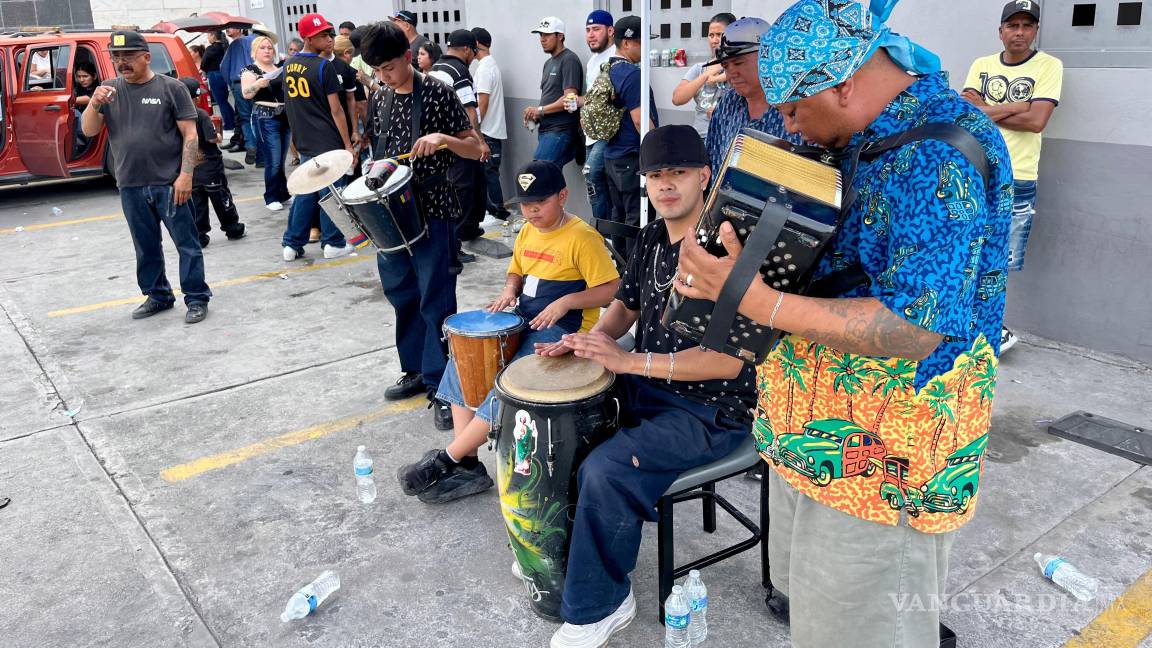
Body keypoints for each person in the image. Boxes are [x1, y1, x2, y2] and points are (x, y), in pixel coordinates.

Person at [675, 2, 1013, 646]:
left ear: (844, 81)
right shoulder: (855, 136)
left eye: (795, 106)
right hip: (812, 439)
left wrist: (745, 295)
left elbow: (913, 329)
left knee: (864, 631)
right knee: (820, 621)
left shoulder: (939, 156)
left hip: (883, 466)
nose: (787, 123)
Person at [535, 125, 755, 647]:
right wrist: (588, 341)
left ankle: (603, 604)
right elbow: (626, 304)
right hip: (651, 387)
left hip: (712, 412)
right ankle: (575, 556)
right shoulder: (654, 236)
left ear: (706, 175)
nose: (666, 186)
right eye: (655, 176)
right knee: (560, 429)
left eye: (677, 173)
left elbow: (725, 364)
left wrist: (628, 362)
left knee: (606, 469)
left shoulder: (727, 248)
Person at [397, 159, 621, 504]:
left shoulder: (582, 237)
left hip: (563, 329)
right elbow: (516, 271)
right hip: (526, 317)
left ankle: (449, 459)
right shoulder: (528, 229)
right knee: (464, 359)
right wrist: (509, 290)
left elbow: (612, 289)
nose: (531, 212)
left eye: (540, 204)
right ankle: (468, 464)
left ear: (562, 196)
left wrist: (567, 301)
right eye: (525, 206)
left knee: (508, 384)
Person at [359, 21, 483, 427]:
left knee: (436, 299)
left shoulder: (438, 93)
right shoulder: (380, 96)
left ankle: (443, 386)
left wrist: (443, 139)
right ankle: (414, 368)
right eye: (377, 70)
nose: (384, 77)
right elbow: (378, 147)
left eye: (390, 68)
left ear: (409, 58)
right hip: (392, 214)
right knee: (401, 294)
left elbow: (476, 148)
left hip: (433, 209)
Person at [81, 31, 212, 324]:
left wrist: (186, 176)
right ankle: (158, 295)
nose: (121, 63)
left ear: (146, 57)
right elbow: (89, 130)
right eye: (116, 57)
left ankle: (196, 297)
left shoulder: (171, 88)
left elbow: (190, 135)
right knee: (145, 245)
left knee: (187, 244)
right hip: (130, 184)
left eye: (128, 56)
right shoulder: (109, 90)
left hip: (169, 184)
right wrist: (94, 103)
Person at [963, 0, 1063, 353]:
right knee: (967, 246)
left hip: (1018, 177)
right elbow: (968, 111)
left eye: (1027, 25)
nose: (1019, 32)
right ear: (1001, 30)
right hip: (976, 169)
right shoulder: (982, 65)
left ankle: (994, 326)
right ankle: (973, 321)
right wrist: (1017, 106)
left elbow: (1037, 121)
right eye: (1013, 25)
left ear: (1035, 31)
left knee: (1001, 257)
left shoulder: (1049, 66)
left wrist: (989, 110)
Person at [280, 12, 354, 262]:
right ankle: (333, 242)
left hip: (305, 139)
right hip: (328, 140)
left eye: (329, 33)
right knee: (332, 193)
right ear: (309, 39)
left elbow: (290, 106)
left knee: (306, 192)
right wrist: (347, 145)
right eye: (323, 35)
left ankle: (291, 244)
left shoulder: (288, 65)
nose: (330, 39)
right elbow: (337, 110)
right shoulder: (324, 66)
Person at [703, 17, 797, 175]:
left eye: (738, 63)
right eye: (725, 66)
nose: (731, 72)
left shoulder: (797, 102)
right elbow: (712, 159)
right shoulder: (728, 102)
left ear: (767, 57)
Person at [430, 29, 488, 266]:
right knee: (463, 190)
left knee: (470, 184)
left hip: (440, 141)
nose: (473, 58)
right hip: (458, 140)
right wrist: (479, 142)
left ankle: (468, 229)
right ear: (466, 49)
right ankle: (454, 244)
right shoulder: (459, 71)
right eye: (473, 53)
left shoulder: (436, 68)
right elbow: (469, 112)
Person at [602, 15, 656, 259]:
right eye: (643, 41)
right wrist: (658, 150)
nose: (647, 47)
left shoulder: (607, 69)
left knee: (619, 214)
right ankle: (635, 270)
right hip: (631, 156)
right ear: (627, 43)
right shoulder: (632, 74)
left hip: (612, 155)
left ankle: (621, 263)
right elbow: (639, 120)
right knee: (637, 217)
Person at [180, 77, 246, 247]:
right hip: (210, 166)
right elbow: (212, 139)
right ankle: (232, 227)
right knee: (220, 197)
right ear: (194, 98)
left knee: (197, 202)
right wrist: (218, 135)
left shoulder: (175, 116)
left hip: (191, 168)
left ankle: (200, 235)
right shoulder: (200, 114)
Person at [241, 34, 291, 212]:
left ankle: (283, 192)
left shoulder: (278, 67)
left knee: (281, 158)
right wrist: (258, 84)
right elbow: (246, 93)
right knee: (273, 159)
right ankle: (271, 195)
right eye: (263, 47)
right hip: (265, 116)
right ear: (255, 51)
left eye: (269, 47)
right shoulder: (250, 70)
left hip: (285, 115)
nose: (267, 50)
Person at [525, 16, 584, 168]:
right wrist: (534, 117)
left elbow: (570, 99)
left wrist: (540, 110)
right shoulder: (548, 63)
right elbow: (548, 96)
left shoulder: (569, 59)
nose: (542, 39)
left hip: (560, 131)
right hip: (546, 131)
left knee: (539, 174)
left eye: (547, 34)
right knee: (551, 179)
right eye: (540, 35)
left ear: (560, 36)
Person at [672, 12, 735, 140]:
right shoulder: (699, 68)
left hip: (729, 136)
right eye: (711, 35)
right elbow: (677, 99)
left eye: (719, 35)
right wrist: (706, 74)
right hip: (701, 136)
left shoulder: (738, 67)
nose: (714, 40)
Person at [579, 10, 616, 226]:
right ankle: (603, 230)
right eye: (588, 30)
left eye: (596, 29)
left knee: (592, 174)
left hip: (608, 132)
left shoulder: (616, 57)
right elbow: (592, 97)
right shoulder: (592, 61)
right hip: (590, 131)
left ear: (610, 31)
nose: (591, 35)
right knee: (597, 181)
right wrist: (579, 105)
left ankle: (604, 231)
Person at [471, 27, 511, 221]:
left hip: (488, 130)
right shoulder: (490, 65)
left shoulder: (485, 68)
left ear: (476, 44)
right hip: (492, 129)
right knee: (489, 171)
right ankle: (494, 209)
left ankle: (497, 211)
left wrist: (474, 128)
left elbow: (483, 103)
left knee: (489, 172)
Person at [221, 28, 259, 163]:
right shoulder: (257, 42)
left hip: (238, 83)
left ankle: (251, 147)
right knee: (259, 115)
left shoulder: (234, 45)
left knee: (245, 117)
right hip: (257, 81)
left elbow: (224, 67)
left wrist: (231, 84)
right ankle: (261, 149)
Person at [201, 31, 235, 137]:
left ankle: (229, 125)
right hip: (224, 74)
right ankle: (233, 121)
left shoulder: (211, 48)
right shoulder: (226, 47)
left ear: (213, 36)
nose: (208, 38)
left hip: (214, 75)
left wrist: (204, 72)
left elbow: (204, 63)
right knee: (224, 100)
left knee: (221, 101)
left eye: (208, 35)